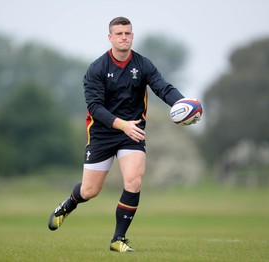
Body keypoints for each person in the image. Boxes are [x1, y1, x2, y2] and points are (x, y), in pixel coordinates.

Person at [48, 16, 188, 252]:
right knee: (89, 191)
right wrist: (122, 125)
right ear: (110, 38)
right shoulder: (97, 68)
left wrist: (185, 104)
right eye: (119, 33)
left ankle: (118, 239)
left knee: (133, 180)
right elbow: (95, 108)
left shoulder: (143, 65)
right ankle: (68, 205)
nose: (124, 37)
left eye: (128, 33)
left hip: (132, 132)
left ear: (132, 36)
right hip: (103, 133)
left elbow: (163, 87)